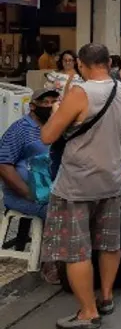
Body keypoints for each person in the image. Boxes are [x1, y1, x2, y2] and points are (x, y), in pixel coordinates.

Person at [40, 43, 121, 329]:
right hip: (113, 178)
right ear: (107, 62)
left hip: (78, 183)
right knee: (108, 241)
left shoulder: (80, 93)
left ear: (81, 64)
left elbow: (47, 136)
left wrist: (57, 109)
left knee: (75, 248)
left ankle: (88, 312)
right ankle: (106, 297)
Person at [0, 88, 60, 283]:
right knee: (55, 211)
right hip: (22, 195)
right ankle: (48, 262)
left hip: (50, 188)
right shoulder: (20, 129)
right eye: (45, 102)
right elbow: (3, 164)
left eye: (53, 101)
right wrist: (27, 193)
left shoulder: (55, 127)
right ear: (33, 107)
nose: (50, 105)